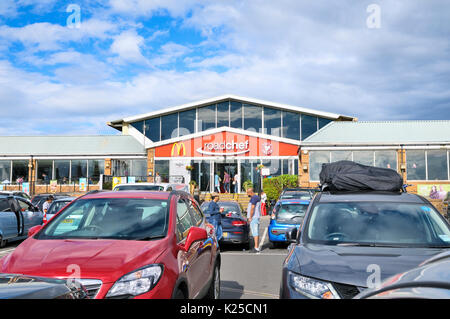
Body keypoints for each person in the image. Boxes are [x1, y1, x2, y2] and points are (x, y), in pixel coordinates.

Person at [247, 188, 261, 254]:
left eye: (248, 193)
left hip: (254, 217)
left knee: (255, 233)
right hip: (255, 217)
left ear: (250, 192)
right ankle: (256, 247)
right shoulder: (255, 197)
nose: (247, 194)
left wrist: (250, 217)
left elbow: (252, 208)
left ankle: (256, 247)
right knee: (255, 232)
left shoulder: (254, 198)